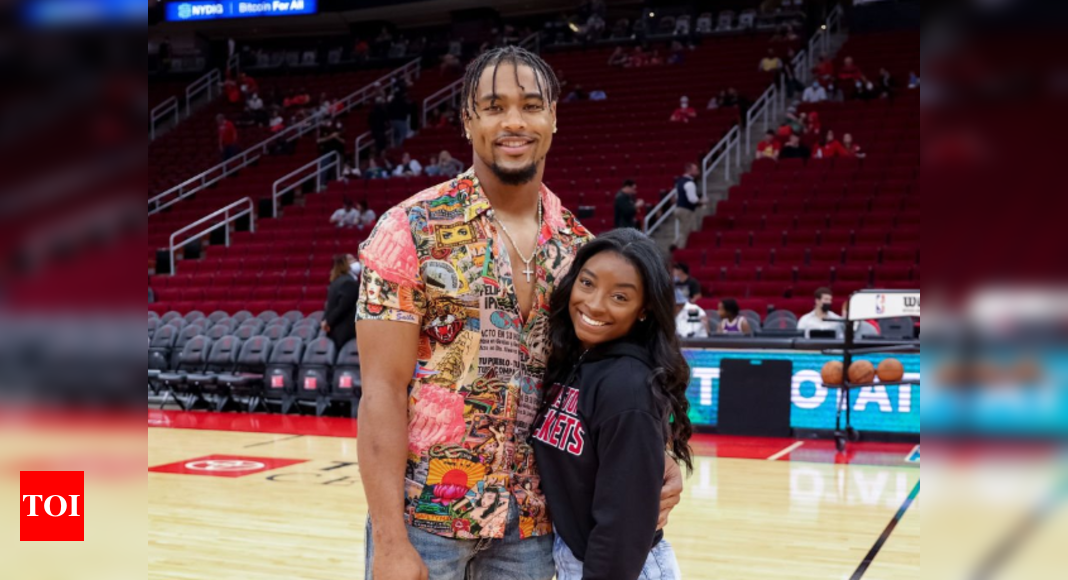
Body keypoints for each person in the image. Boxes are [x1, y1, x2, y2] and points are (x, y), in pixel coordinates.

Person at [355, 45, 683, 580]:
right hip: (424, 522)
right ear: (467, 120)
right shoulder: (410, 229)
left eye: (531, 105)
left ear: (553, 118)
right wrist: (390, 540)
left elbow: (620, 368)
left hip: (534, 528)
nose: (514, 121)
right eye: (494, 106)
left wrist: (657, 450)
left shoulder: (580, 248)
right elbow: (381, 393)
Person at [533, 228, 692, 579]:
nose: (594, 304)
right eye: (587, 284)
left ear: (644, 310)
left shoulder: (628, 387)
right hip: (579, 556)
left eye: (620, 297)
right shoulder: (577, 361)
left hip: (617, 566)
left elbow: (624, 519)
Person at [322, 254, 361, 349]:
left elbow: (330, 306)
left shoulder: (336, 281)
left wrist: (326, 320)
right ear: (344, 264)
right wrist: (328, 322)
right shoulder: (349, 282)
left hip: (336, 331)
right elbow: (343, 307)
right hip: (346, 332)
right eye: (352, 260)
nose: (357, 261)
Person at [673, 163, 703, 249]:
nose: (698, 172)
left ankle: (675, 243)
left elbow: (677, 197)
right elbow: (692, 199)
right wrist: (701, 202)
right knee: (685, 232)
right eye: (696, 170)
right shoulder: (690, 183)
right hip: (686, 210)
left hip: (679, 208)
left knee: (684, 230)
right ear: (689, 170)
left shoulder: (680, 181)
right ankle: (679, 250)